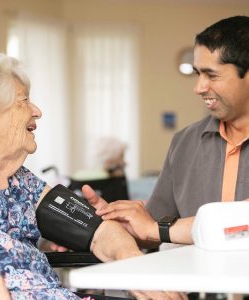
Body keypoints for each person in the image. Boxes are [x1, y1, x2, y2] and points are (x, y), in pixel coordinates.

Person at [0, 54, 186, 300]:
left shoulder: (22, 182)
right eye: (24, 100)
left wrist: (134, 266)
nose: (37, 111)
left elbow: (100, 231)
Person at [83, 15, 249, 249]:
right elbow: (152, 230)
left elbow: (241, 225)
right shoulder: (185, 143)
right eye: (197, 74)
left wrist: (155, 229)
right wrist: (106, 225)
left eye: (211, 75)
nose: (199, 87)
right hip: (192, 283)